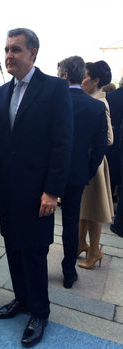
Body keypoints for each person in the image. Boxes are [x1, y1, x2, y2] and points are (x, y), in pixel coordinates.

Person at [0, 28, 73, 348]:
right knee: (12, 245)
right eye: (7, 49)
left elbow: (62, 144)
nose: (9, 55)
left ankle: (40, 311)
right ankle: (21, 299)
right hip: (8, 189)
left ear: (33, 53)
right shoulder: (1, 93)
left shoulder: (54, 89)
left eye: (16, 50)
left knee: (34, 251)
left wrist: (53, 190)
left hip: (38, 193)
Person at [57, 56, 107, 288]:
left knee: (42, 220)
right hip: (77, 174)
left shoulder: (53, 101)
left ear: (65, 75)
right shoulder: (95, 107)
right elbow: (100, 147)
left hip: (49, 172)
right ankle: (68, 272)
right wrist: (86, 172)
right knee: (71, 222)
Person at [78, 61, 114, 269]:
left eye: (85, 76)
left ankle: (94, 251)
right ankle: (82, 244)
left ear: (96, 80)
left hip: (94, 162)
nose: (82, 79)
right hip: (89, 160)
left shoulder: (100, 102)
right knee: (86, 208)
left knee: (94, 210)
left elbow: (109, 137)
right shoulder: (93, 99)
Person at [108, 84, 123, 237]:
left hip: (112, 147)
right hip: (116, 142)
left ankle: (107, 209)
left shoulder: (110, 98)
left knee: (110, 179)